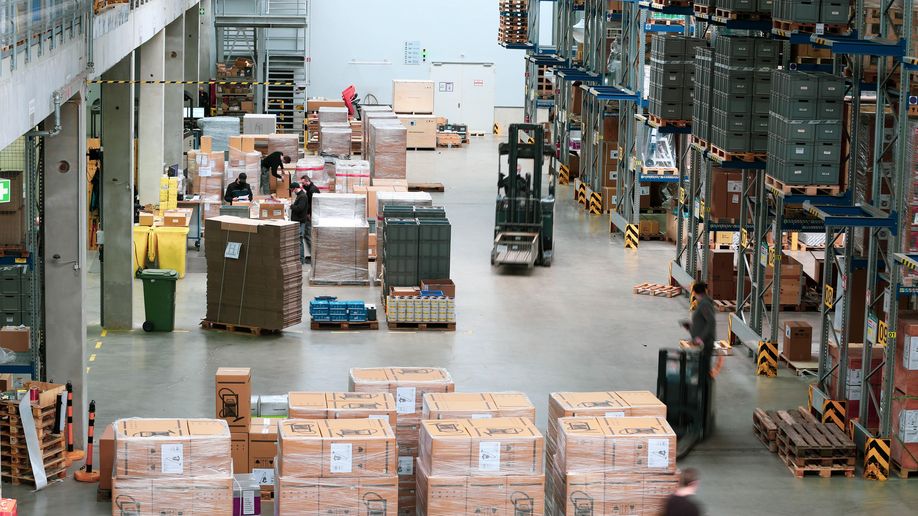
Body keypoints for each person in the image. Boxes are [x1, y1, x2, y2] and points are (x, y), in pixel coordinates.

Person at [682, 282, 717, 434]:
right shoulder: (703, 303)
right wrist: (691, 328)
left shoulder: (704, 304)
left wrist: (700, 338)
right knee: (699, 373)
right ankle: (698, 407)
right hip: (701, 344)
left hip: (704, 346)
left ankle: (702, 410)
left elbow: (711, 322)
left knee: (702, 374)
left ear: (696, 292)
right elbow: (702, 324)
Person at [299, 175, 321, 259]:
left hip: (312, 214)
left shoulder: (312, 190)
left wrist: (308, 213)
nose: (302, 184)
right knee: (308, 234)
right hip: (311, 213)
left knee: (308, 234)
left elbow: (312, 203)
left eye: (303, 182)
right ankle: (312, 254)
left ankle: (313, 254)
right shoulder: (310, 188)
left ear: (307, 181)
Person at [289, 182, 310, 264]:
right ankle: (299, 259)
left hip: (300, 222)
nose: (292, 191)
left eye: (292, 189)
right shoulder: (300, 195)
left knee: (299, 240)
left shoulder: (302, 196)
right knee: (298, 240)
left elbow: (299, 208)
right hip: (298, 221)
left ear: (295, 188)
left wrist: (291, 206)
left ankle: (301, 260)